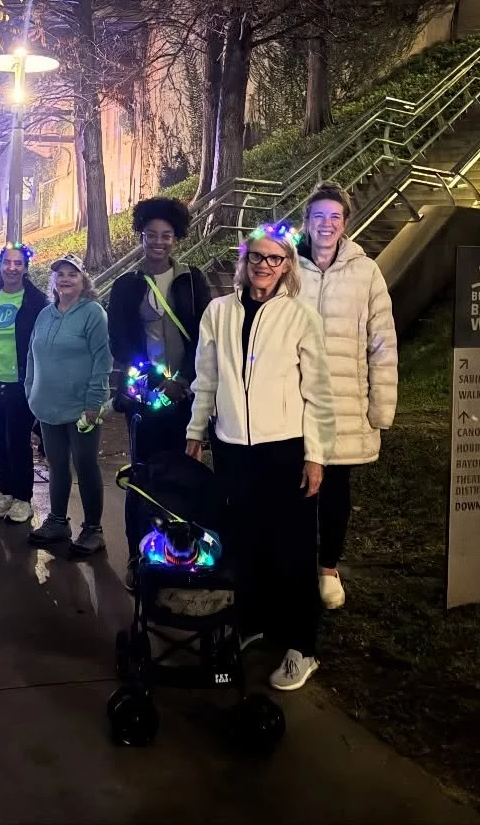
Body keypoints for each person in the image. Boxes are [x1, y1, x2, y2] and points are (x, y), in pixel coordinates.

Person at [186, 222, 335, 692]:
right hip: (233, 449)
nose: (265, 267)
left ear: (288, 265)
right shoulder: (218, 312)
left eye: (275, 259)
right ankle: (252, 621)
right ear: (244, 261)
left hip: (285, 449)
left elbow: (319, 392)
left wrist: (316, 456)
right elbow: (206, 378)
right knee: (243, 542)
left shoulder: (300, 316)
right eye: (257, 258)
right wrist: (196, 430)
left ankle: (301, 647)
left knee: (291, 549)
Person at [296, 182, 398, 610]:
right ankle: (296, 567)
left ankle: (328, 569)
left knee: (335, 490)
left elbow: (383, 341)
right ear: (306, 222)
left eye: (334, 217)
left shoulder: (366, 271)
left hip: (343, 400)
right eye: (318, 216)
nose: (326, 224)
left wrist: (381, 407)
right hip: (292, 402)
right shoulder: (288, 267)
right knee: (295, 490)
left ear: (345, 223)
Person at [106, 197, 212, 569]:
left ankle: (184, 551)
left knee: (185, 475)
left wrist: (184, 380)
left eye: (166, 235)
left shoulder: (193, 281)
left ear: (176, 238)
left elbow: (205, 335)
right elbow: (120, 339)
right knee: (144, 476)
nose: (158, 241)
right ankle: (141, 554)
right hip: (146, 399)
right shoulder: (126, 286)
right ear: (141, 236)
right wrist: (154, 382)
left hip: (185, 398)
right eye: (151, 234)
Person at [24, 254, 113, 557]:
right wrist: (30, 390)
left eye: (72, 274)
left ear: (83, 280)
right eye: (60, 274)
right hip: (48, 405)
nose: (65, 279)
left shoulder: (93, 313)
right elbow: (32, 356)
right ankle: (58, 521)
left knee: (86, 466)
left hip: (81, 407)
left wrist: (94, 402)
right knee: (57, 465)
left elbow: (103, 360)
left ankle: (93, 529)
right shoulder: (45, 314)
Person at [0, 244, 46, 525]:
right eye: (7, 262)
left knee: (18, 440)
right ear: (0, 265)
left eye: (18, 263)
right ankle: (5, 493)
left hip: (21, 382)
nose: (12, 268)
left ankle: (23, 498)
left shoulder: (36, 300)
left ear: (26, 268)